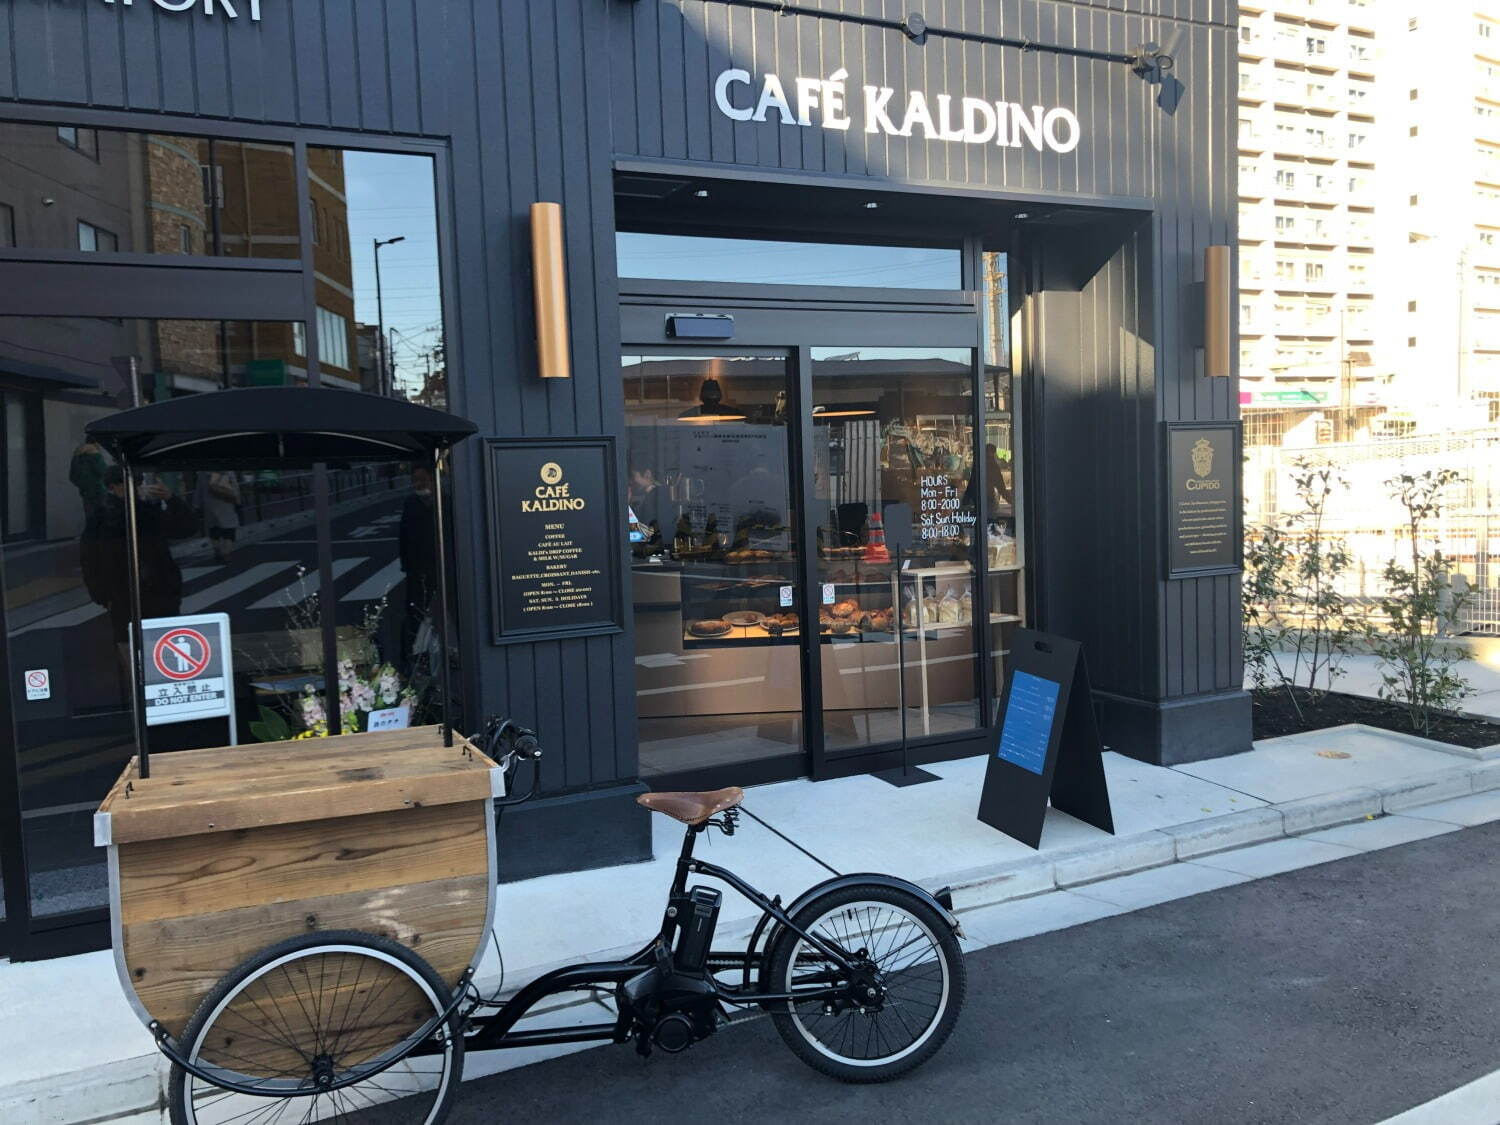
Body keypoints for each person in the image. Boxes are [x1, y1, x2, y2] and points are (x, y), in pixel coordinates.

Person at [81, 467, 186, 681]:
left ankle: (154, 688)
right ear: (113, 487)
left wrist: (170, 498)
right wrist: (102, 596)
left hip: (159, 589)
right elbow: (90, 559)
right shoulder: (102, 515)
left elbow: (185, 528)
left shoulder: (148, 509)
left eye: (138, 482)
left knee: (163, 642)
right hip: (123, 592)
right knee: (128, 643)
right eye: (128, 482)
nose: (135, 487)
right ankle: (137, 692)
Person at [398, 464, 440, 669]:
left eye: (423, 479)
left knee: (446, 611)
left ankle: (446, 650)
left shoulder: (445, 501)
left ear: (432, 480)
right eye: (415, 480)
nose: (419, 484)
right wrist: (407, 565)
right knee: (415, 612)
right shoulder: (410, 503)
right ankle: (411, 655)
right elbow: (403, 537)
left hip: (442, 567)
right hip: (417, 569)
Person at [204, 470, 241, 563]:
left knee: (214, 530)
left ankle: (217, 551)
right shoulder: (228, 471)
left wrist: (196, 505)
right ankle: (226, 553)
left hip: (209, 505)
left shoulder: (203, 473)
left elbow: (199, 490)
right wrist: (238, 501)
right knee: (229, 531)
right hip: (226, 503)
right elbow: (235, 488)